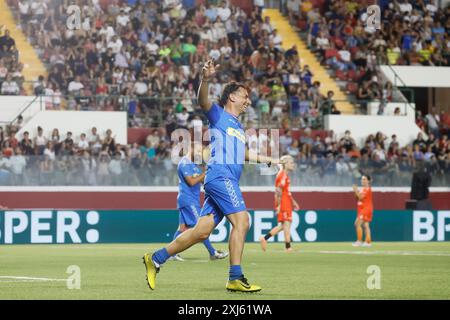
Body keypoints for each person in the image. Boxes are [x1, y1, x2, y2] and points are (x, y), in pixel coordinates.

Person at [143, 59, 282, 293]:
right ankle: (235, 277)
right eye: (245, 96)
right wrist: (205, 79)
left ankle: (155, 258)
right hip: (221, 177)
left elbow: (244, 154)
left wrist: (270, 160)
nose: (249, 100)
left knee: (201, 232)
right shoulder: (218, 115)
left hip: (222, 180)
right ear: (232, 98)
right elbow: (202, 100)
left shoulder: (237, 127)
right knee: (242, 220)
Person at [170, 142, 228, 262]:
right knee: (200, 228)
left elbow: (202, 181)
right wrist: (205, 173)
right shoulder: (184, 163)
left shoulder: (193, 165)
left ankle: (171, 253)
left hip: (189, 199)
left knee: (182, 228)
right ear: (190, 149)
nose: (199, 154)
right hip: (188, 200)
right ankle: (213, 253)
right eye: (197, 151)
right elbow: (191, 181)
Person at [259, 155, 299, 252]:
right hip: (284, 204)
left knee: (283, 226)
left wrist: (294, 202)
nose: (293, 165)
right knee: (286, 224)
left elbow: (286, 192)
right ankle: (288, 247)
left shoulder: (284, 175)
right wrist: (278, 206)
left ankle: (265, 238)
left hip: (287, 203)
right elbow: (278, 192)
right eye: (291, 163)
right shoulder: (282, 175)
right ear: (285, 164)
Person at [352, 175, 373, 247]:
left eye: (364, 179)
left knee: (357, 224)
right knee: (366, 225)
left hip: (366, 209)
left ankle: (359, 241)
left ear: (368, 181)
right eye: (362, 179)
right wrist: (356, 191)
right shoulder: (362, 189)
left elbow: (360, 197)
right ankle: (368, 242)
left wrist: (356, 190)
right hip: (362, 208)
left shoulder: (367, 189)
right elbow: (356, 197)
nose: (362, 181)